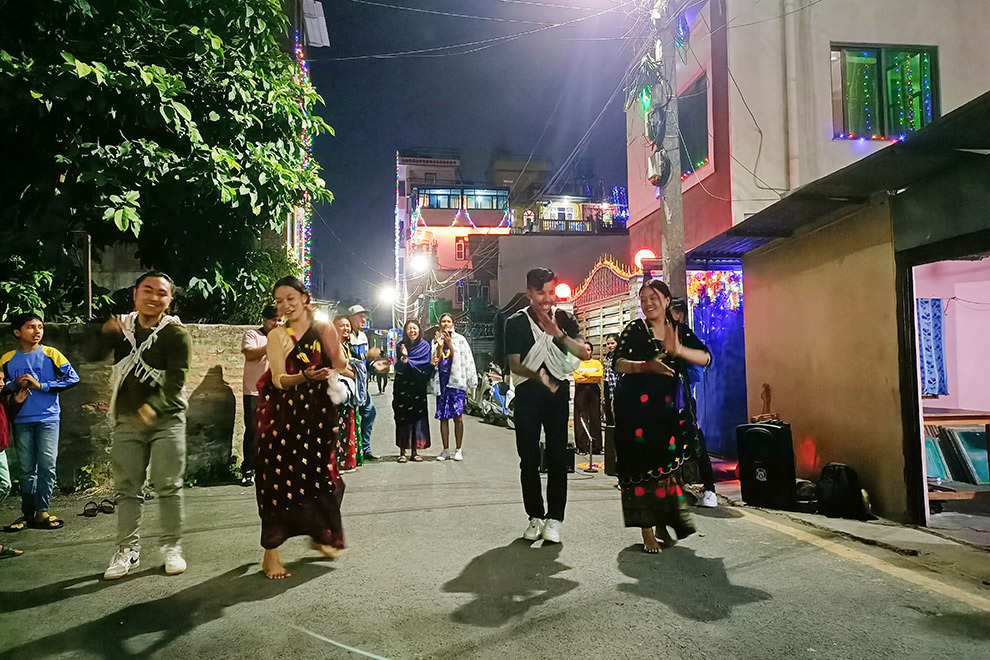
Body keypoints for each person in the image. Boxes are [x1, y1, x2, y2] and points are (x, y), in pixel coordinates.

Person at [254, 277, 348, 579]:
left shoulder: (323, 329)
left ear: (305, 298)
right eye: (279, 301)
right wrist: (305, 377)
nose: (285, 306)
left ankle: (320, 532)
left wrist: (336, 347)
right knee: (277, 484)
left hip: (319, 414)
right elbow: (279, 379)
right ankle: (271, 553)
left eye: (290, 298)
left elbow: (340, 362)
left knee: (326, 480)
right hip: (282, 415)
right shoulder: (277, 336)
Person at [102, 271, 192, 578]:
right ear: (135, 294)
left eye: (161, 293)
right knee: (128, 488)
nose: (154, 297)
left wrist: (152, 409)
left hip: (168, 420)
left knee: (168, 485)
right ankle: (127, 550)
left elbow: (177, 380)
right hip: (127, 420)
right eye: (147, 290)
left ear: (169, 301)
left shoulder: (175, 334)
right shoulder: (121, 329)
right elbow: (90, 354)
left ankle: (172, 547)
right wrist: (104, 331)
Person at [613, 279, 711, 553]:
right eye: (643, 299)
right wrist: (646, 366)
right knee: (641, 469)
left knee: (667, 468)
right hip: (635, 413)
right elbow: (618, 362)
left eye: (653, 297)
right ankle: (646, 531)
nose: (648, 303)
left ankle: (661, 524)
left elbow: (705, 358)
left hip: (668, 414)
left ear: (667, 300)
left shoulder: (678, 331)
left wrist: (679, 351)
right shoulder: (635, 329)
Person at [505, 268, 591, 544]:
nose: (546, 298)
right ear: (529, 292)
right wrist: (544, 377)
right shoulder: (515, 323)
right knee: (528, 458)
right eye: (540, 292)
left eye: (551, 291)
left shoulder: (564, 318)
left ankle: (555, 518)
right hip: (528, 395)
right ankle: (535, 517)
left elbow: (585, 352)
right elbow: (516, 364)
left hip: (557, 396)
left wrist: (558, 334)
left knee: (557, 458)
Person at [1, 313, 80, 532]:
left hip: (48, 418)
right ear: (17, 332)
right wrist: (14, 385)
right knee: (27, 469)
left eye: (40, 327)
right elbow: (1, 386)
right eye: (30, 327)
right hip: (21, 419)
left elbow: (72, 378)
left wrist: (41, 386)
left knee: (47, 465)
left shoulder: (51, 353)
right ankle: (27, 513)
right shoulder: (7, 358)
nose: (37, 331)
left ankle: (42, 510)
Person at [669, 297, 717, 508]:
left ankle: (710, 490)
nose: (676, 316)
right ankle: (672, 489)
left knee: (697, 443)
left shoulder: (683, 333)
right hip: (658, 401)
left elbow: (706, 356)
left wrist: (680, 351)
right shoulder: (651, 333)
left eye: (679, 312)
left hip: (682, 400)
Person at [239, 305, 279, 487]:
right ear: (264, 319)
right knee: (254, 431)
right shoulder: (253, 335)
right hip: (254, 392)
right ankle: (248, 469)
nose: (277, 323)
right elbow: (250, 354)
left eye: (279, 320)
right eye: (273, 320)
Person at [432, 313, 478, 462]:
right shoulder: (436, 340)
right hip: (442, 382)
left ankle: (458, 449)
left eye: (448, 321)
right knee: (443, 417)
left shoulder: (460, 340)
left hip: (456, 383)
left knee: (458, 417)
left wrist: (450, 343)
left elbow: (467, 359)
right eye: (443, 321)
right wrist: (439, 345)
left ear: (453, 324)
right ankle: (445, 449)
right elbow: (435, 361)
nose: (446, 324)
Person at [394, 319, 437, 463]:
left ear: (419, 330)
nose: (412, 331)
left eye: (415, 328)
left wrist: (409, 361)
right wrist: (404, 358)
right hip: (402, 386)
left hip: (417, 386)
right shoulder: (401, 345)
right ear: (405, 331)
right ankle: (402, 452)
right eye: (409, 328)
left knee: (417, 419)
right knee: (402, 418)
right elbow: (399, 366)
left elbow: (425, 366)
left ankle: (415, 451)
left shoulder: (425, 346)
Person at [347, 305, 379, 461]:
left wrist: (374, 365)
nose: (364, 319)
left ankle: (364, 448)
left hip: (362, 383)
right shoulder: (346, 336)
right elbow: (349, 359)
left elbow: (364, 362)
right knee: (353, 416)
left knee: (369, 412)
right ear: (351, 318)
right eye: (360, 316)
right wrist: (367, 355)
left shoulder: (363, 337)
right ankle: (353, 450)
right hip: (349, 383)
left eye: (365, 317)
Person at [333, 315, 361, 473]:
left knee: (348, 423)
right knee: (338, 427)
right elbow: (339, 367)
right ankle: (337, 461)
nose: (346, 329)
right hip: (335, 391)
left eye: (348, 326)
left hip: (348, 392)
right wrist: (355, 374)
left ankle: (346, 460)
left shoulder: (346, 345)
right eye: (342, 326)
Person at [573, 341, 604, 455]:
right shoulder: (576, 363)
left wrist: (586, 374)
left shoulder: (596, 363)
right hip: (581, 390)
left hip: (594, 390)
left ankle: (597, 447)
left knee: (595, 417)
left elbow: (599, 375)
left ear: (592, 351)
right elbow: (577, 377)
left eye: (588, 349)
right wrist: (592, 375)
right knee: (581, 417)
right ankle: (582, 447)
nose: (586, 352)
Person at [602, 333, 619, 427]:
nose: (610, 346)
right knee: (608, 407)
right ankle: (610, 431)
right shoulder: (607, 356)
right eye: (608, 344)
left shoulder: (619, 356)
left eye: (612, 343)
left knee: (616, 407)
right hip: (607, 383)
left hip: (616, 384)